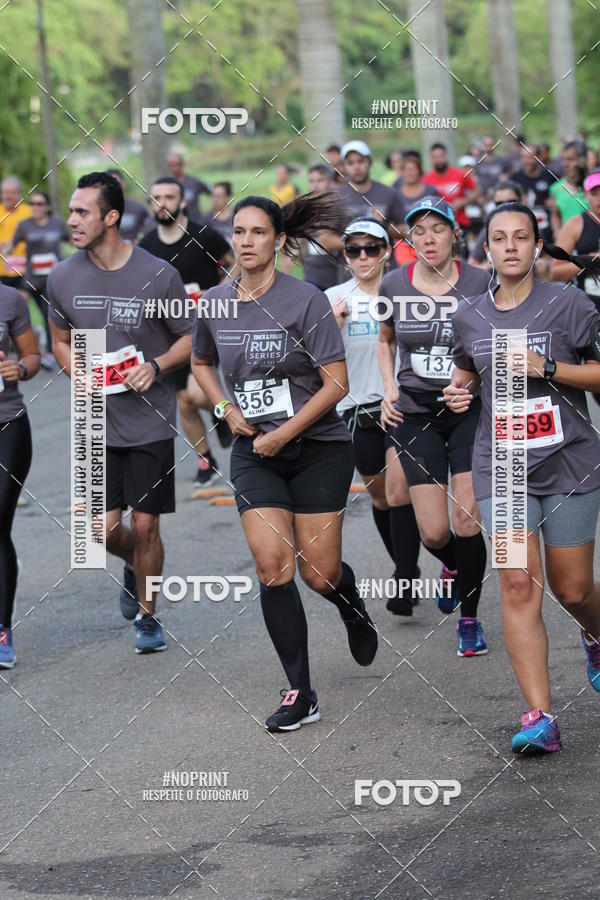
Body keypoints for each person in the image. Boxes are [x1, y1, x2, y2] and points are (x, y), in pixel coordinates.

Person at [191, 193, 379, 731]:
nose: (246, 241)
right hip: (255, 453)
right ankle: (301, 692)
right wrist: (226, 409)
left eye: (257, 232)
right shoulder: (214, 302)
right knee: (273, 565)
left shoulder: (306, 300)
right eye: (240, 232)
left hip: (318, 448)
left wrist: (286, 434)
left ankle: (349, 603)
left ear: (278, 240)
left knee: (317, 574)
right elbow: (201, 361)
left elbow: (336, 383)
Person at [445, 201, 600, 754]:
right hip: (503, 467)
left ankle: (595, 634)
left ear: (538, 247)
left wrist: (549, 368)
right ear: (486, 249)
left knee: (573, 587)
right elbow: (467, 371)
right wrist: (458, 391)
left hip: (569, 461)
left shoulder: (570, 305)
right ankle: (541, 716)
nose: (510, 246)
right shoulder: (469, 316)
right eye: (499, 238)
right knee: (515, 582)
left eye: (521, 237)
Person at [48, 172, 193, 654]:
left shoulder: (157, 274)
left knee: (147, 523)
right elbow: (60, 340)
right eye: (71, 210)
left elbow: (191, 338)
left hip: (150, 417)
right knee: (101, 530)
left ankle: (149, 618)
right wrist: (77, 374)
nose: (72, 220)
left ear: (111, 218)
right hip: (96, 421)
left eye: (82, 212)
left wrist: (156, 365)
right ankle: (136, 565)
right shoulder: (63, 276)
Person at [378, 197, 491, 650]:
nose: (428, 238)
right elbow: (385, 340)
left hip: (468, 410)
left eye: (437, 229)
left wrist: (476, 384)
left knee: (466, 520)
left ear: (453, 235)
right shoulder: (392, 285)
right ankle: (454, 565)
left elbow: (494, 341)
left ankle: (470, 620)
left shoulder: (481, 282)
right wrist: (388, 386)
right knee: (434, 531)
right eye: (418, 230)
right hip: (416, 411)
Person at [326, 219, 421, 612]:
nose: (362, 256)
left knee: (399, 492)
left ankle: (405, 577)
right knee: (381, 499)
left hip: (400, 405)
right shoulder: (332, 297)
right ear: (346, 256)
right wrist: (331, 325)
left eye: (371, 248)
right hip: (355, 409)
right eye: (354, 250)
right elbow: (309, 357)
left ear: (386, 252)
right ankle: (406, 567)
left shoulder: (403, 289)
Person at [140, 177, 235, 485]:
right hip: (168, 332)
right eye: (156, 197)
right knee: (183, 400)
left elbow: (236, 265)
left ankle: (222, 414)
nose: (162, 203)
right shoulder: (147, 245)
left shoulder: (203, 235)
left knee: (195, 393)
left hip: (207, 325)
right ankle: (206, 460)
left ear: (182, 202)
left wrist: (217, 292)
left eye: (169, 197)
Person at [0, 285, 41, 667]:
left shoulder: (10, 300)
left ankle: (1, 632)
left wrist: (20, 368)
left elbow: (31, 355)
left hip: (7, 425)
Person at [4, 190, 70, 369]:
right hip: (31, 279)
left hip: (52, 279)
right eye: (33, 204)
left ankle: (48, 352)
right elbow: (11, 246)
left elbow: (72, 241)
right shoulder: (25, 225)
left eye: (40, 204)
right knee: (13, 310)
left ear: (47, 206)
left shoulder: (56, 224)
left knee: (49, 315)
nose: (36, 207)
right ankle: (23, 348)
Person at [337, 140, 406, 245]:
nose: (356, 167)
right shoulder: (335, 196)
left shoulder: (389, 193)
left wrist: (384, 225)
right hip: (346, 261)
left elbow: (406, 231)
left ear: (370, 162)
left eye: (361, 161)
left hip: (384, 260)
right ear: (343, 167)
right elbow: (325, 239)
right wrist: (355, 246)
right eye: (350, 163)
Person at [550, 170, 600, 308]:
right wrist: (588, 261)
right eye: (594, 193)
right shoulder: (575, 224)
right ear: (585, 195)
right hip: (589, 308)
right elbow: (555, 272)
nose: (599, 199)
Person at [391, 151, 440, 266]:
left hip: (428, 241)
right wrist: (400, 230)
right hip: (402, 244)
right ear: (402, 172)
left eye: (413, 169)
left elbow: (440, 215)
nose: (409, 173)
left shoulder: (430, 191)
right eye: (406, 170)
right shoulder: (394, 193)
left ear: (420, 171)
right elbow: (389, 221)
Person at [422, 143, 482, 236]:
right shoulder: (426, 179)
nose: (439, 160)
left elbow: (477, 190)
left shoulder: (460, 175)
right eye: (435, 157)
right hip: (437, 224)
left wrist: (464, 201)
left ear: (446, 156)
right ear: (431, 158)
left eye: (441, 156)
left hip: (460, 222)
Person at [303, 164, 345, 291]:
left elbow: (329, 241)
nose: (315, 185)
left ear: (332, 183)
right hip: (311, 276)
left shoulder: (339, 207)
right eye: (311, 181)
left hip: (334, 276)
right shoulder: (305, 209)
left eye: (320, 180)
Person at [468, 181, 523, 268]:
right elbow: (472, 264)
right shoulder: (489, 230)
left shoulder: (531, 227)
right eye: (499, 204)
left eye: (511, 202)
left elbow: (546, 260)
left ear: (522, 201)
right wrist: (493, 265)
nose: (505, 207)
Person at [549, 141, 588, 236]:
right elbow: (556, 215)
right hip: (569, 244)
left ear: (583, 159)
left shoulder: (594, 184)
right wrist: (557, 233)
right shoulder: (556, 188)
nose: (565, 164)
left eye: (570, 159)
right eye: (563, 159)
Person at [0, 178, 32, 289]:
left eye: (12, 192)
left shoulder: (29, 212)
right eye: (5, 192)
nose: (8, 196)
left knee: (23, 302)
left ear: (19, 194)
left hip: (25, 269)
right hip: (2, 271)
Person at [106, 169, 152, 243]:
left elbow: (151, 229)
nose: (114, 188)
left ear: (124, 184)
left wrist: (141, 241)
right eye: (109, 185)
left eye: (117, 183)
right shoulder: (98, 211)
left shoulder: (138, 209)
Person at [168, 152, 211, 223]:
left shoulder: (194, 182)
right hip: (175, 225)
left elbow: (212, 191)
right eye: (172, 165)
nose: (175, 168)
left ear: (183, 164)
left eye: (178, 164)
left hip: (195, 224)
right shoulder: (166, 184)